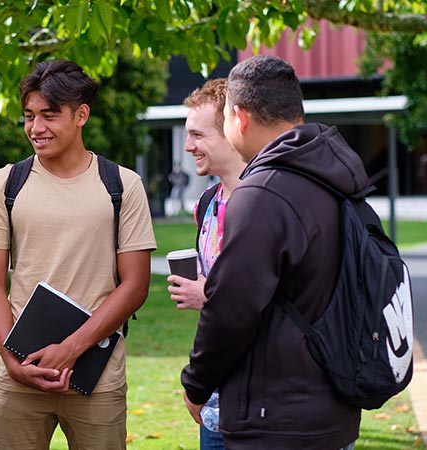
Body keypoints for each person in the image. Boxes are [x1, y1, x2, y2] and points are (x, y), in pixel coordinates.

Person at [180, 55, 363, 450]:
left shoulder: (262, 193)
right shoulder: (338, 180)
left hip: (276, 417)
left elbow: (232, 309)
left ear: (239, 119)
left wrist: (195, 385)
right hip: (336, 408)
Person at [0, 59, 156, 449]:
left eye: (49, 116)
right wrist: (13, 363)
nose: (36, 129)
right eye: (29, 116)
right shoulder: (3, 185)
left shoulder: (122, 185)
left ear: (81, 115)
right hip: (18, 373)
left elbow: (136, 285)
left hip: (97, 377)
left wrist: (69, 350)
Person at [167, 78, 245, 450]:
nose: (188, 146)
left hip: (263, 400)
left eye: (198, 135)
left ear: (232, 130)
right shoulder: (206, 204)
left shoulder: (269, 201)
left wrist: (207, 294)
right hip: (214, 397)